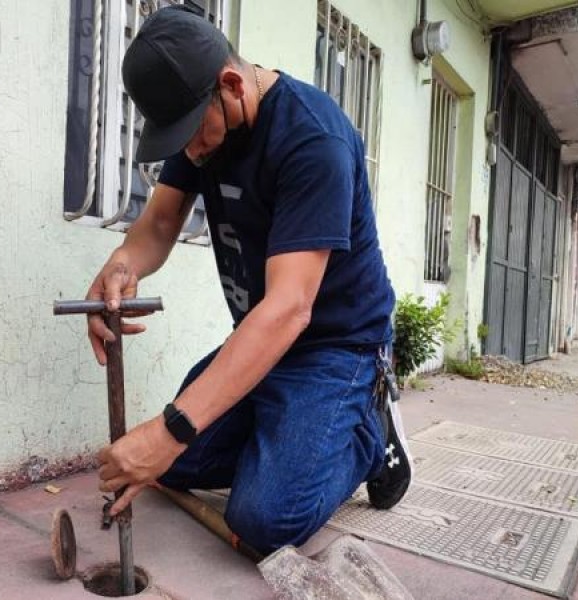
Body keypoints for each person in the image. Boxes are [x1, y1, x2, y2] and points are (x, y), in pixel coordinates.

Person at [88, 4, 410, 555]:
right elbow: (161, 221)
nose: (190, 151)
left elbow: (289, 308)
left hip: (336, 347)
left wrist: (171, 432)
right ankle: (290, 434)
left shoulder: (313, 140)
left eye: (193, 135)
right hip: (264, 341)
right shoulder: (206, 121)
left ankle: (365, 432)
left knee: (263, 516)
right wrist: (122, 266)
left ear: (232, 84)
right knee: (171, 465)